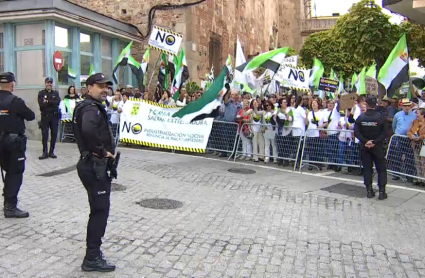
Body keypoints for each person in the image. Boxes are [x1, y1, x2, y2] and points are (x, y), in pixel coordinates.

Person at [72, 73, 116, 272]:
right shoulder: (91, 108)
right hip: (94, 166)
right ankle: (91, 258)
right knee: (99, 211)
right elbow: (88, 131)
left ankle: (94, 253)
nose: (105, 89)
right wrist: (102, 151)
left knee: (98, 209)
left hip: (92, 164)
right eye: (100, 86)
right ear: (89, 88)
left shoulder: (88, 106)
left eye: (106, 86)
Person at [0, 72, 35, 218]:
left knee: (7, 170)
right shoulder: (16, 101)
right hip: (13, 144)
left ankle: (8, 198)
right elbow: (31, 115)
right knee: (14, 173)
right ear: (13, 84)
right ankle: (10, 207)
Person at [354, 95, 388, 200]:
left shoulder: (361, 117)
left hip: (365, 146)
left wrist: (365, 141)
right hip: (377, 146)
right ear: (376, 104)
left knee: (367, 168)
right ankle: (382, 191)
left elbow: (356, 132)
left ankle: (369, 190)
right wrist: (375, 141)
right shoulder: (381, 117)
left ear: (367, 104)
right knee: (381, 169)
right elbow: (385, 133)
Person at [38, 77, 61, 159]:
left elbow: (57, 102)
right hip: (45, 116)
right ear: (45, 83)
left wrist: (47, 101)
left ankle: (51, 152)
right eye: (48, 82)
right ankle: (45, 152)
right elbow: (41, 105)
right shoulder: (41, 93)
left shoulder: (55, 93)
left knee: (54, 134)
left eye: (50, 83)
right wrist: (51, 102)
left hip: (54, 116)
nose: (49, 84)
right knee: (45, 135)